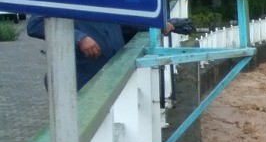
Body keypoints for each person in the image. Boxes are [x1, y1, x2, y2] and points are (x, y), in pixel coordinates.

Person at [26, 16, 190, 89]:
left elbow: (124, 26)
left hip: (110, 78)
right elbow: (35, 24)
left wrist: (155, 25)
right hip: (79, 82)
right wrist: (79, 38)